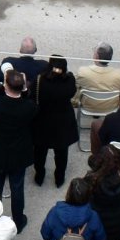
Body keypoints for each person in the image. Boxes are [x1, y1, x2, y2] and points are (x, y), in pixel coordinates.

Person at [0, 67, 37, 214]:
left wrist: (5, 84)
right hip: (18, 153)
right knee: (17, 188)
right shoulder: (29, 107)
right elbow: (28, 101)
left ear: (5, 85)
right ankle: (18, 220)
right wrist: (24, 89)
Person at [33, 56, 79, 187]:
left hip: (43, 121)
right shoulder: (69, 80)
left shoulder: (39, 80)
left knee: (40, 152)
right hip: (62, 122)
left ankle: (39, 176)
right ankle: (59, 178)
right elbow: (72, 92)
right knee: (61, 153)